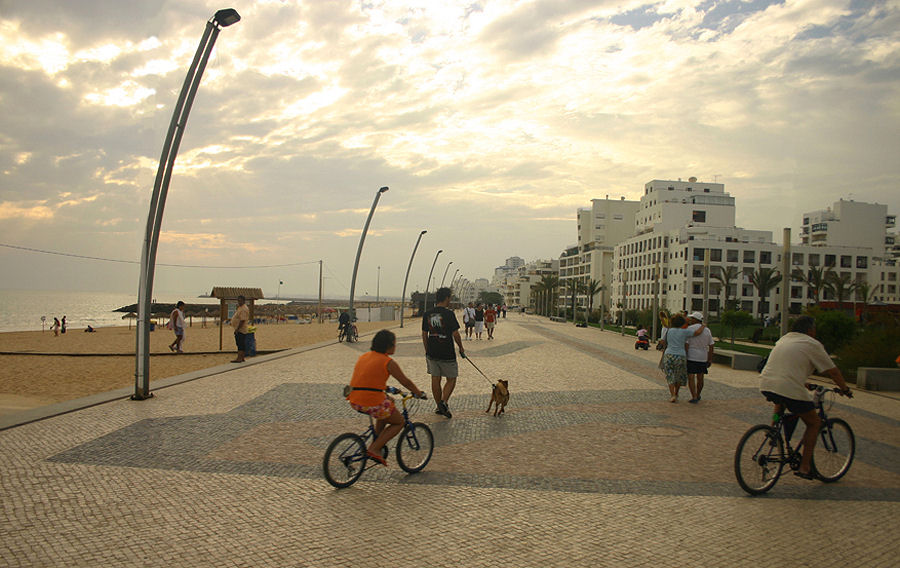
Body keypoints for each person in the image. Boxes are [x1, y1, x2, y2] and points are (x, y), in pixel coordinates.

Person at [759, 315, 851, 479]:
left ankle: (773, 429)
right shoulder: (812, 344)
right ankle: (805, 467)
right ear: (810, 330)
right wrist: (844, 388)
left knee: (780, 404)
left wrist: (804, 383)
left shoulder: (784, 339)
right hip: (788, 387)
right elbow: (833, 371)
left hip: (767, 383)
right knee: (814, 423)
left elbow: (787, 369)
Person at [346, 330, 426, 466]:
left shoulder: (364, 356)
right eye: (394, 344)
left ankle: (376, 442)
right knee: (399, 422)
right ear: (388, 346)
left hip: (354, 399)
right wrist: (418, 393)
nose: (395, 346)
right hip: (371, 401)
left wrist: (388, 389)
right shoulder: (388, 362)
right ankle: (375, 448)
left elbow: (369, 379)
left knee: (388, 404)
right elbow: (405, 382)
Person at [422, 287, 465, 418]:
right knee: (451, 378)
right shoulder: (449, 314)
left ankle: (438, 406)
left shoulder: (427, 314)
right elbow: (456, 334)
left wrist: (427, 349)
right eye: (450, 298)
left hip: (432, 352)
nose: (450, 300)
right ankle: (444, 402)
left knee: (435, 378)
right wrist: (461, 348)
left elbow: (424, 334)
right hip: (447, 352)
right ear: (446, 298)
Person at [659, 314, 707, 402]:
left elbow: (662, 342)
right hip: (680, 355)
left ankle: (672, 395)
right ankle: (676, 393)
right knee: (678, 376)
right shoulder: (685, 332)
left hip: (668, 354)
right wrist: (703, 326)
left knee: (670, 376)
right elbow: (697, 333)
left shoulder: (669, 331)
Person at [685, 311, 714, 403]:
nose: (690, 320)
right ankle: (698, 394)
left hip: (691, 355)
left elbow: (686, 344)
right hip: (703, 356)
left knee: (691, 377)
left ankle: (693, 396)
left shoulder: (689, 329)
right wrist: (710, 358)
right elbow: (711, 345)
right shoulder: (707, 330)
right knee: (700, 377)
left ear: (695, 319)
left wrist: (685, 356)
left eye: (691, 318)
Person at [231, 295, 250, 363]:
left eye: (240, 300)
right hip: (240, 329)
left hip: (241, 329)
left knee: (240, 343)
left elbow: (242, 320)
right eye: (238, 300)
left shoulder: (244, 309)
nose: (239, 302)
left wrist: (237, 329)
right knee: (240, 343)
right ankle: (241, 357)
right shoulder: (240, 307)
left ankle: (240, 358)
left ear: (244, 301)